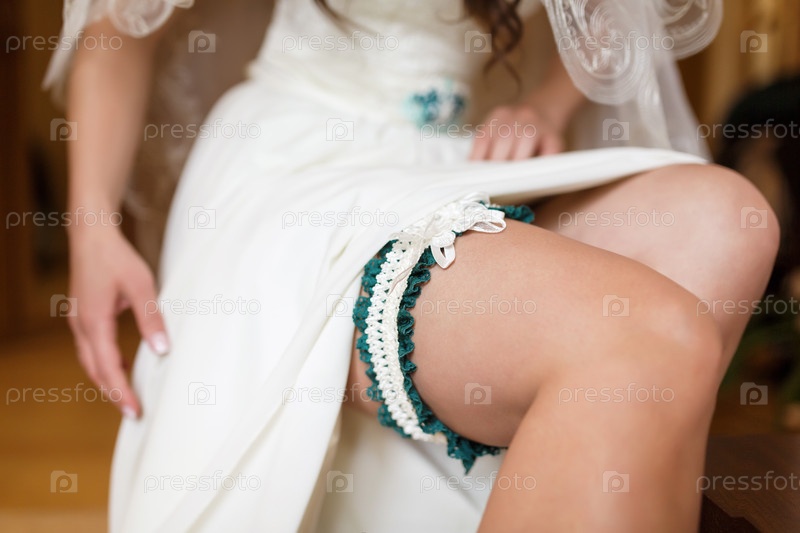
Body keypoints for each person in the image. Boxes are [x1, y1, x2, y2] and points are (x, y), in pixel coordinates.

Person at [45, 0, 779, 530]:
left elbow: (619, 12)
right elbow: (117, 24)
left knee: (725, 222)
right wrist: (91, 232)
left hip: (467, 155)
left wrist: (549, 106)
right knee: (644, 333)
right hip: (300, 162)